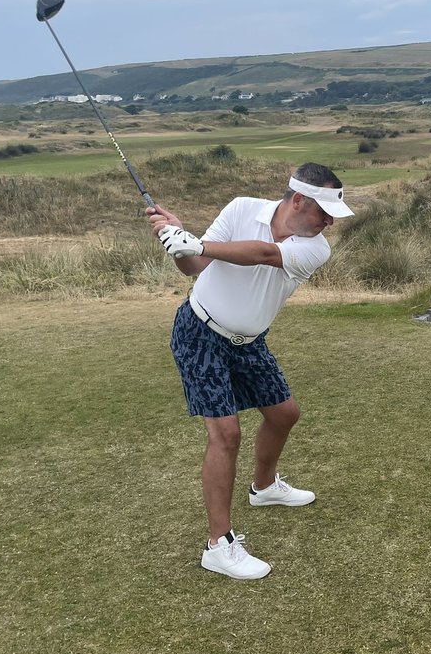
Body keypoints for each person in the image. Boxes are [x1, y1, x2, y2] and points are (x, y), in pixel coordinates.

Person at [146, 162, 354, 580]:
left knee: (285, 414)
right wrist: (179, 242)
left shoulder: (316, 247)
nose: (330, 222)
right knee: (226, 434)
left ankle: (264, 487)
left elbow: (262, 255)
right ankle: (219, 546)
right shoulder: (242, 208)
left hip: (250, 342)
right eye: (324, 212)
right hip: (199, 333)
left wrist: (196, 243)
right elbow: (194, 266)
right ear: (299, 200)